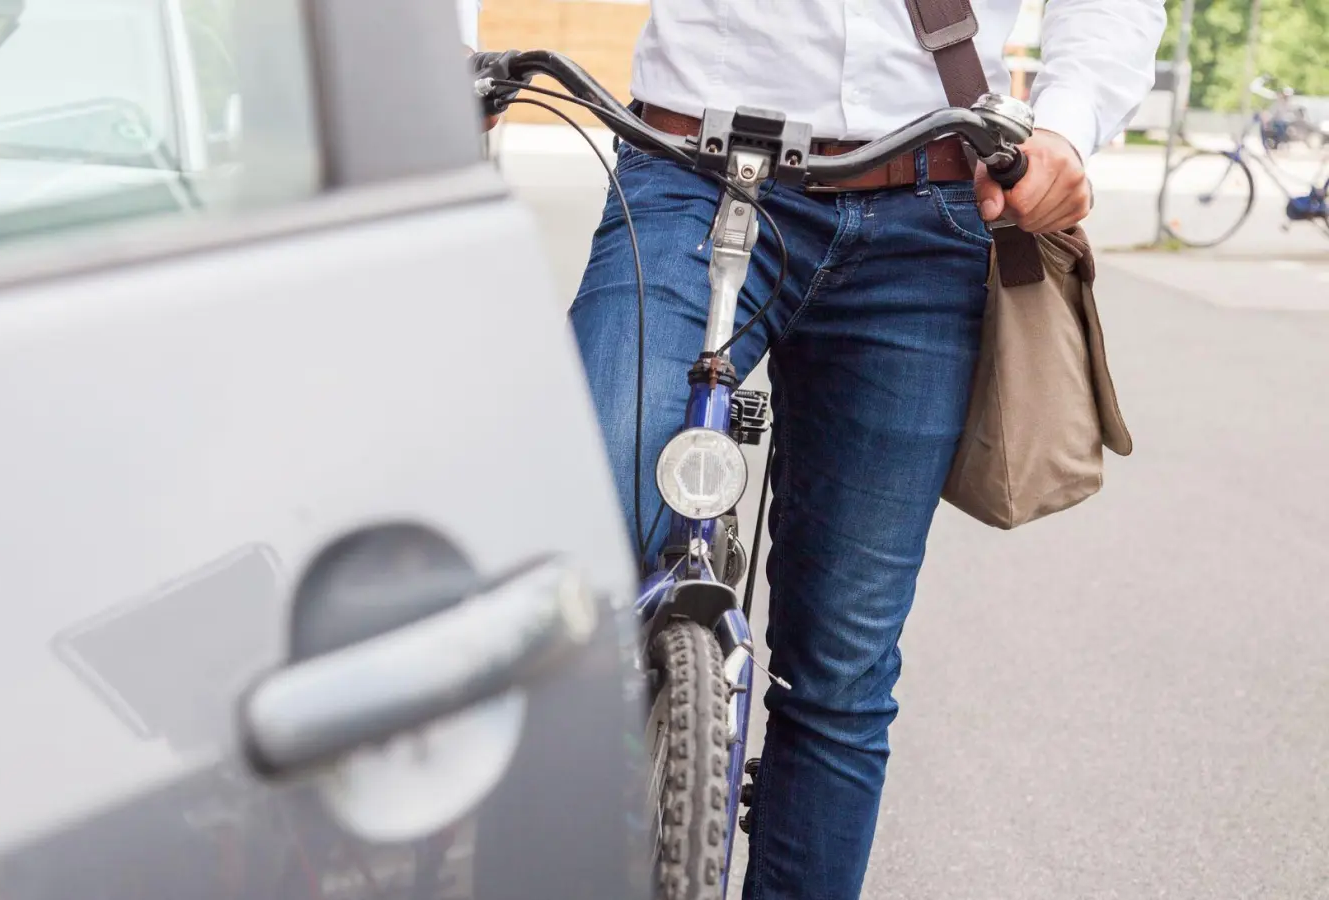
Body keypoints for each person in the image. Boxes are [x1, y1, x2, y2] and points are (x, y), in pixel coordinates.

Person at [460, 2, 1164, 898]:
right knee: (574, 568)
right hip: (688, 177)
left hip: (930, 207)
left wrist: (1068, 126)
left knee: (840, 670)